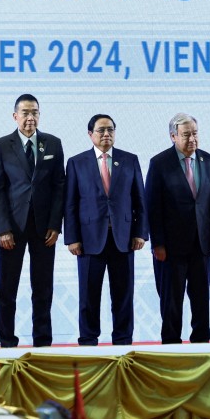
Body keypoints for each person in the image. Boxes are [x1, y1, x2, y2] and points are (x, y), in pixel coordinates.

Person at [0, 94, 65, 348]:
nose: (30, 118)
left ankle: (42, 341)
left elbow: (59, 187)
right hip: (12, 228)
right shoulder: (1, 145)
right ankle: (7, 341)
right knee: (7, 289)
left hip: (44, 229)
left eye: (35, 113)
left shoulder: (53, 143)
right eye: (25, 113)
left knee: (42, 288)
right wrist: (3, 228)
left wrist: (56, 225)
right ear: (15, 116)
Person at [64, 114, 147, 345]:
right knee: (89, 296)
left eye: (110, 129)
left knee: (123, 295)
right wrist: (72, 238)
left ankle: (123, 339)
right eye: (101, 130)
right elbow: (70, 203)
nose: (106, 134)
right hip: (89, 240)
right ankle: (89, 340)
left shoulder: (129, 160)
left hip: (123, 238)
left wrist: (140, 233)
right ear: (90, 134)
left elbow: (140, 199)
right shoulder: (76, 162)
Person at [146, 113, 210, 343]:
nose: (192, 139)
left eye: (195, 133)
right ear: (173, 136)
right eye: (186, 134)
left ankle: (201, 342)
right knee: (171, 300)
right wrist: (157, 243)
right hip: (170, 247)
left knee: (201, 298)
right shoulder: (159, 163)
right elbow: (153, 206)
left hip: (201, 243)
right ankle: (171, 344)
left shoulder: (208, 160)